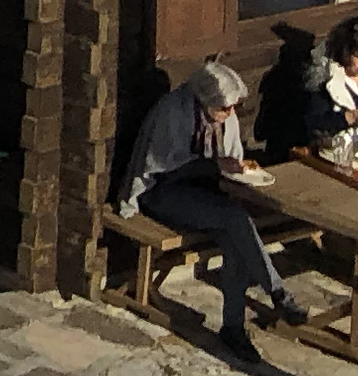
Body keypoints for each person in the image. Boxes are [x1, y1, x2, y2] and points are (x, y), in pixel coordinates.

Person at [121, 57, 282, 359]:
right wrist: (211, 165)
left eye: (233, 107)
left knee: (234, 236)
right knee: (235, 218)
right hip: (165, 194)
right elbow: (162, 168)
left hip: (207, 197)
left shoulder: (225, 118)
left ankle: (234, 327)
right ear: (205, 99)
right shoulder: (173, 112)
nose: (229, 113)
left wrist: (233, 169)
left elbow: (230, 160)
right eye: (224, 107)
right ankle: (275, 289)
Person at [309, 17, 358, 157]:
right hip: (337, 159)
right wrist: (350, 117)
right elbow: (314, 122)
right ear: (345, 53)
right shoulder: (327, 82)